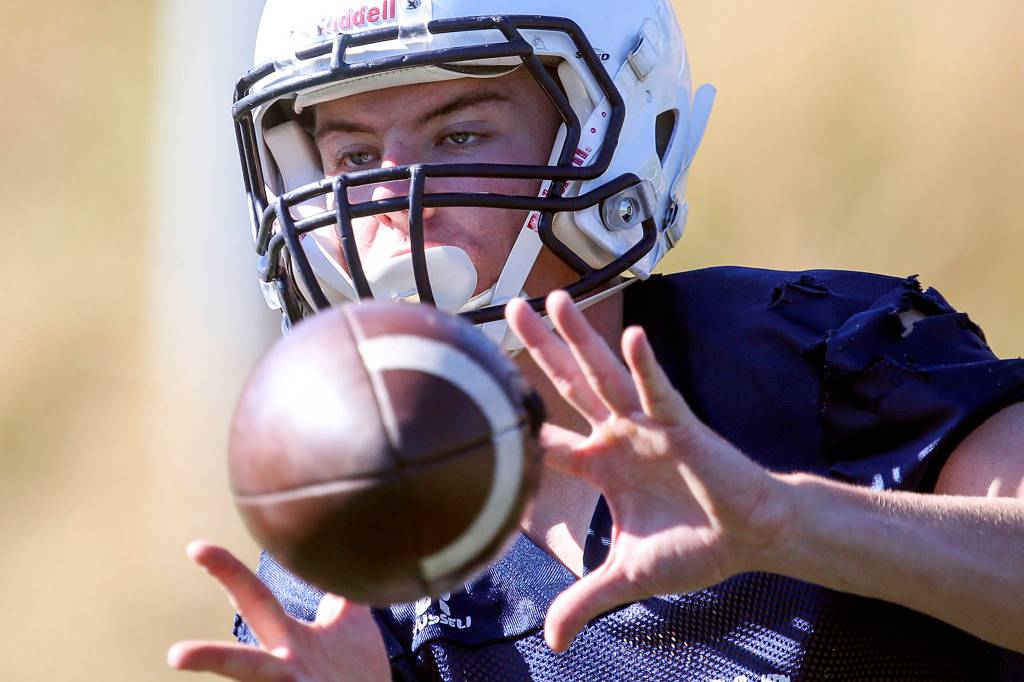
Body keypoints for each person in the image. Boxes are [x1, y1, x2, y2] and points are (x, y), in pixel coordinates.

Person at [170, 1, 1024, 679]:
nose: (396, 199)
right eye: (354, 159)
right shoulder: (345, 556)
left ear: (603, 131)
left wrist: (793, 524)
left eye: (459, 136)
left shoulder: (822, 359)